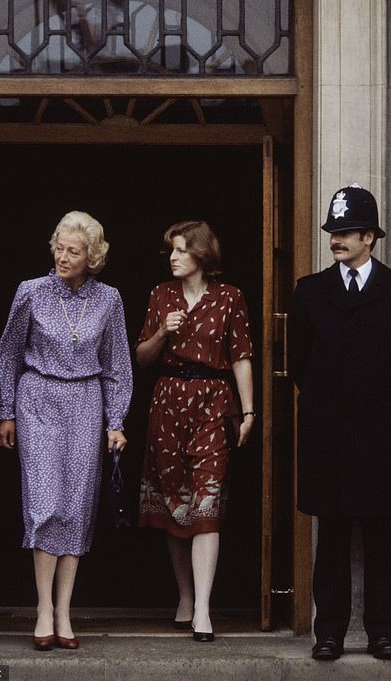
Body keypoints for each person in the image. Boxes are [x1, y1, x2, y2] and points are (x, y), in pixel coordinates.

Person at [288, 183, 391, 662]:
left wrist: (383, 409)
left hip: (379, 435)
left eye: (345, 232)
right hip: (328, 433)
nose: (336, 240)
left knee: (380, 534)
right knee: (333, 535)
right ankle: (330, 634)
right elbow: (300, 364)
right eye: (333, 232)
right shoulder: (311, 291)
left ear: (370, 237)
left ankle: (383, 632)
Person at [0, 210, 132, 651]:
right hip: (38, 399)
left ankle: (65, 610)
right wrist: (5, 411)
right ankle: (42, 608)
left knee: (76, 507)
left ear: (92, 257)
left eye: (73, 251)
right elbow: (8, 354)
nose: (63, 257)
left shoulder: (109, 299)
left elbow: (117, 366)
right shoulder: (30, 292)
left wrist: (116, 421)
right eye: (59, 247)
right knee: (44, 503)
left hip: (86, 403)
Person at [136, 220, 255, 643]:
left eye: (182, 250)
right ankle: (184, 597)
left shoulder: (230, 298)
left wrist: (249, 410)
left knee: (207, 501)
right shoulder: (160, 295)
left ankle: (203, 609)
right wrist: (161, 333)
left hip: (214, 402)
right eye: (171, 249)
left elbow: (241, 354)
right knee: (176, 503)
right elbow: (142, 358)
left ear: (202, 255)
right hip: (168, 401)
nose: (173, 256)